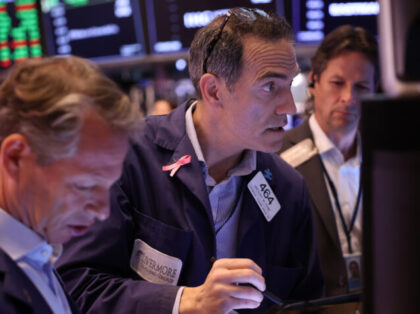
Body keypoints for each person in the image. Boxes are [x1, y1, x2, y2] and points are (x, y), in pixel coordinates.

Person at [57, 8, 323, 313]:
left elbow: (307, 305)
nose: (289, 107)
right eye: (270, 87)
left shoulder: (289, 190)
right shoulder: (127, 158)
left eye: (289, 85)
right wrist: (184, 303)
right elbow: (77, 285)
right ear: (214, 90)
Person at [0, 56, 142, 313]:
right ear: (15, 157)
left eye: (108, 187)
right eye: (85, 186)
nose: (103, 211)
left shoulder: (38, 253)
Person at [279, 25, 378, 296]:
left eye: (361, 87)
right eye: (337, 83)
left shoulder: (387, 159)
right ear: (314, 82)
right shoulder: (277, 160)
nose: (349, 98)